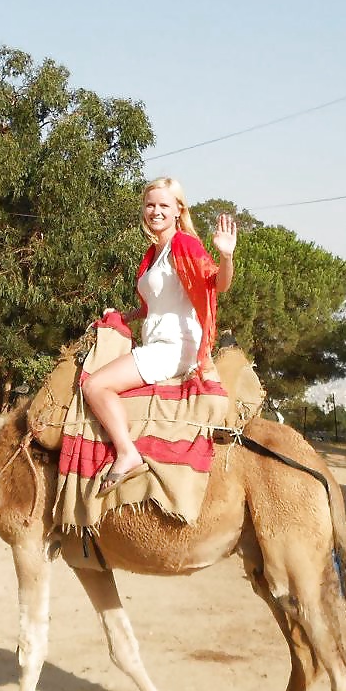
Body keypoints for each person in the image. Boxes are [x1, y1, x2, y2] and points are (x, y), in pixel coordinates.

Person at [81, 177, 237, 497]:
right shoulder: (154, 253)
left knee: (94, 385)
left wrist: (226, 257)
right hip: (158, 341)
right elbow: (154, 305)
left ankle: (127, 453)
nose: (156, 211)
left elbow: (217, 285)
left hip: (174, 346)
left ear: (178, 210)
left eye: (164, 205)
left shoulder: (184, 245)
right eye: (151, 205)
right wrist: (124, 316)